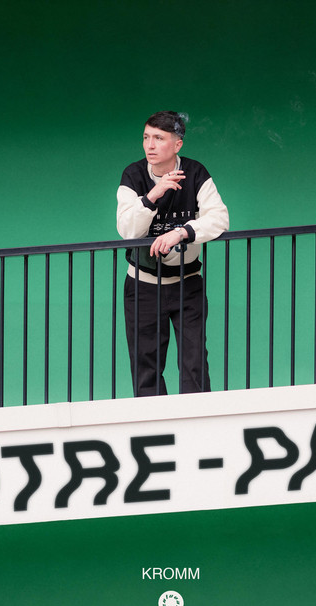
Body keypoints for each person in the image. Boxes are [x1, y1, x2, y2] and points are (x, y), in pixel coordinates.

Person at [117, 111, 229, 396]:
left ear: (177, 144)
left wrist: (181, 232)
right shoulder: (133, 175)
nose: (150, 145)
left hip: (187, 284)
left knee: (194, 365)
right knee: (146, 367)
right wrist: (152, 196)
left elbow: (219, 218)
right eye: (146, 137)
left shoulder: (195, 172)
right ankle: (153, 421)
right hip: (142, 286)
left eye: (158, 138)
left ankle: (199, 419)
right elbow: (127, 230)